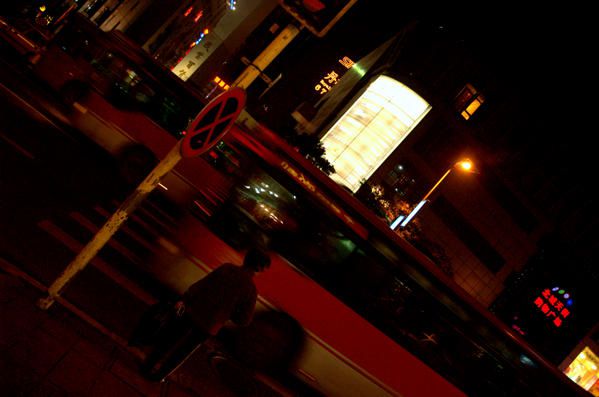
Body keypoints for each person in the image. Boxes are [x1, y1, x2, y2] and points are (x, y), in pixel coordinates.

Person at [140, 247, 271, 381]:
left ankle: (146, 366)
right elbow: (244, 320)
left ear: (246, 259)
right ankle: (159, 376)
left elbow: (203, 284)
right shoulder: (250, 290)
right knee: (182, 352)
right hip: (209, 325)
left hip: (193, 310)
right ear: (259, 268)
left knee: (168, 340)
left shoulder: (226, 269)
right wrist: (229, 312)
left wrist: (186, 299)